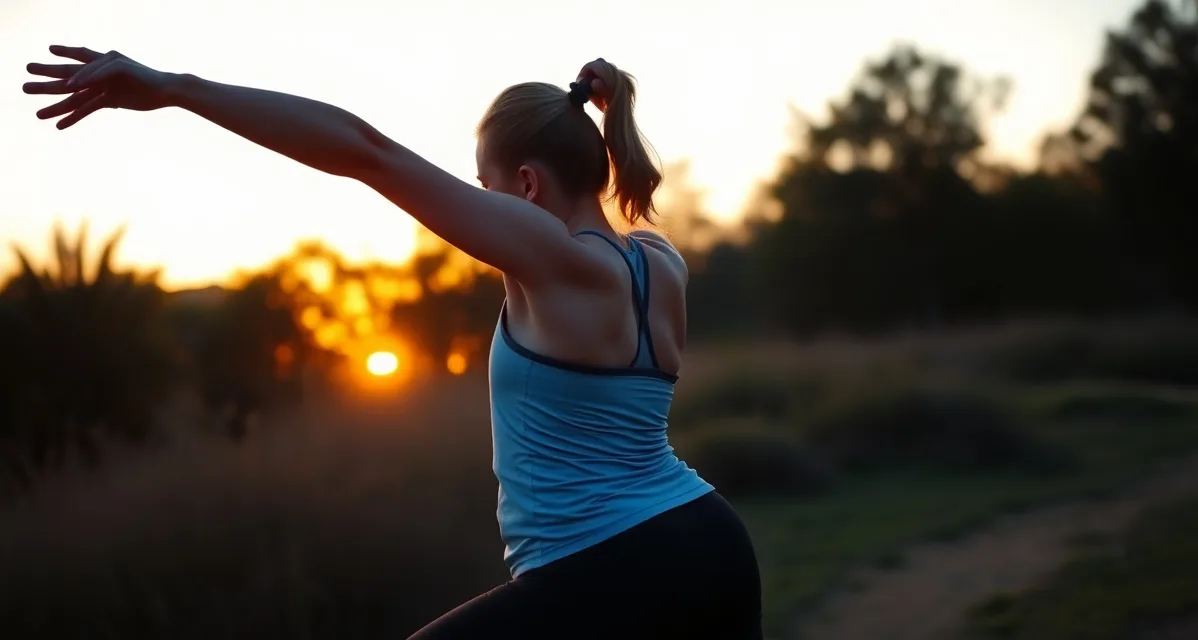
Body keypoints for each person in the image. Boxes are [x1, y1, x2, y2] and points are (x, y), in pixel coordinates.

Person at [23, 46, 764, 639]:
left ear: (529, 187)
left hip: (610, 564)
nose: (481, 203)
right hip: (710, 542)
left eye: (486, 186)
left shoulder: (553, 258)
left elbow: (365, 152)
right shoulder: (661, 262)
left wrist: (178, 87)